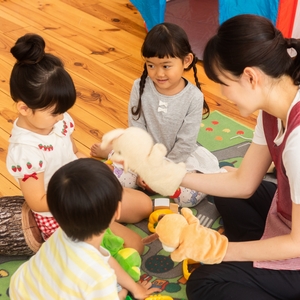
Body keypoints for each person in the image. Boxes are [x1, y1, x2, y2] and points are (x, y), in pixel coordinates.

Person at [179, 14, 300, 300]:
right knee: (225, 187)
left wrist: (219, 250)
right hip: (289, 220)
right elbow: (243, 183)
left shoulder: (298, 144)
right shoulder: (274, 104)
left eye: (223, 82)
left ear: (250, 76)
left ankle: (261, 271)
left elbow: (298, 243)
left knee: (204, 284)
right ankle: (258, 263)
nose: (222, 92)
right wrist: (175, 176)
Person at [6, 33, 151, 253]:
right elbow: (38, 202)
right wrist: (88, 202)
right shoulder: (25, 151)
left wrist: (100, 173)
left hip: (84, 188)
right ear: (24, 108)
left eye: (63, 111)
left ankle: (107, 219)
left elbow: (73, 153)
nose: (61, 117)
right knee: (135, 247)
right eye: (54, 113)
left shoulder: (58, 121)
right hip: (65, 210)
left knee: (145, 205)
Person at [91, 22, 220, 207]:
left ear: (187, 60)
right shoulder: (139, 86)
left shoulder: (194, 97)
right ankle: (113, 150)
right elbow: (136, 129)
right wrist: (144, 168)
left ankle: (114, 151)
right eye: (151, 65)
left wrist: (158, 171)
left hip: (177, 159)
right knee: (113, 181)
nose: (158, 73)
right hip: (141, 156)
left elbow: (185, 143)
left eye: (166, 66)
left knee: (187, 199)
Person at [9, 158, 160, 300]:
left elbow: (104, 258)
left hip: (22, 289)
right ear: (117, 211)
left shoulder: (62, 234)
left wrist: (135, 288)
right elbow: (101, 274)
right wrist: (122, 293)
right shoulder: (101, 277)